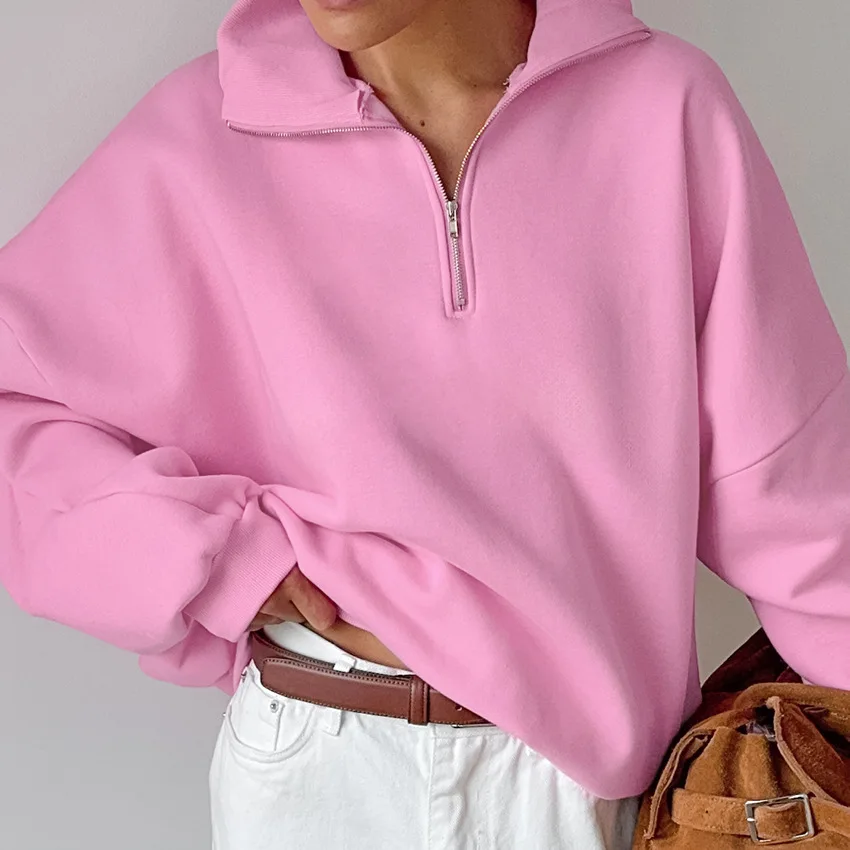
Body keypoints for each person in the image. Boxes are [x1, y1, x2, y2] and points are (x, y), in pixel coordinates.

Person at [1, 0, 848, 847]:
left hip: (577, 790)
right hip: (318, 763)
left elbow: (800, 505)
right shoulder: (201, 132)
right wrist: (214, 559)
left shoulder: (664, 108)